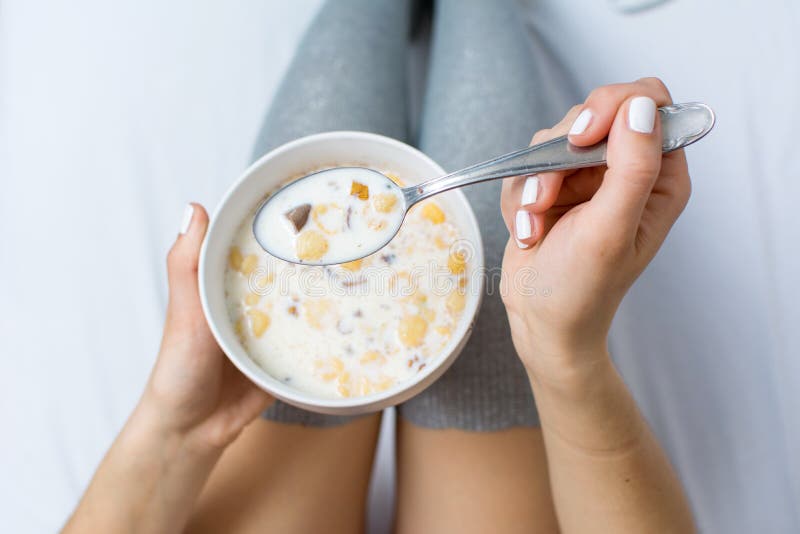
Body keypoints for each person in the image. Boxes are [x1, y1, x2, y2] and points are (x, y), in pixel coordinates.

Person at [64, 78, 696, 532]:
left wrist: (179, 427)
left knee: (334, 98)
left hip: (266, 417)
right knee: (480, 93)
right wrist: (566, 354)